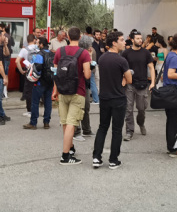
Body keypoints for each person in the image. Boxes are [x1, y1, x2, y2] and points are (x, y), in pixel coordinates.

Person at [92, 31, 131, 170]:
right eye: (121, 40)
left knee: (102, 127)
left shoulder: (102, 58)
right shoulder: (122, 60)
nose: (124, 42)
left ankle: (96, 157)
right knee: (116, 129)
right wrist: (125, 77)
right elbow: (130, 79)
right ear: (114, 43)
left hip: (104, 97)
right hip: (118, 98)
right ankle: (113, 160)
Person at [53, 27, 92, 165]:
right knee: (71, 124)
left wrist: (55, 90)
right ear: (80, 37)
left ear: (67, 37)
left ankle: (70, 148)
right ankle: (65, 156)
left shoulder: (60, 51)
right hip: (78, 91)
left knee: (65, 122)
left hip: (63, 91)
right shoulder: (84, 53)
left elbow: (56, 73)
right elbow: (87, 75)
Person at [121, 31, 155, 140]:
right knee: (128, 109)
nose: (140, 40)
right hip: (130, 85)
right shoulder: (126, 53)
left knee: (141, 108)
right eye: (138, 38)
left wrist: (153, 82)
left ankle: (141, 123)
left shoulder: (146, 53)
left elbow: (151, 67)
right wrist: (123, 79)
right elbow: (122, 68)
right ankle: (129, 131)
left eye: (141, 38)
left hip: (142, 85)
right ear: (132, 40)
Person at [25, 37, 54, 129]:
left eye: (38, 43)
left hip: (40, 82)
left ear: (41, 44)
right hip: (50, 81)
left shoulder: (39, 54)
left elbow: (38, 67)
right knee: (48, 102)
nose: (37, 44)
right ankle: (46, 122)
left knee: (35, 102)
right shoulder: (53, 54)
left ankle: (33, 123)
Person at [16, 34, 37, 117]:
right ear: (34, 40)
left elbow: (17, 61)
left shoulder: (24, 50)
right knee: (36, 91)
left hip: (29, 73)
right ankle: (36, 110)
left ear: (27, 41)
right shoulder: (38, 48)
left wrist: (21, 71)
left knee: (28, 91)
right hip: (38, 72)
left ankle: (29, 111)